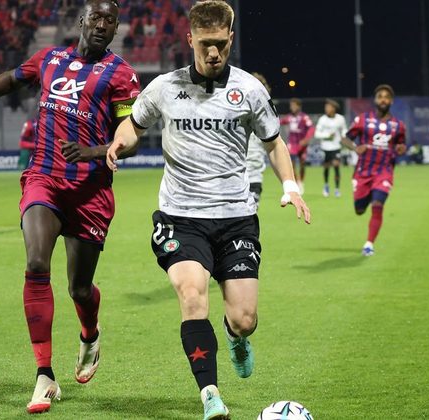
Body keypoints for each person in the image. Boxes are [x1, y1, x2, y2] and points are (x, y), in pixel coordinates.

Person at [106, 2, 311, 418]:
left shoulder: (250, 90)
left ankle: (236, 338)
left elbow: (274, 143)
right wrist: (119, 141)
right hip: (180, 216)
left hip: (236, 216)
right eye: (205, 44)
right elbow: (134, 122)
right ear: (190, 40)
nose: (213, 53)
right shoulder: (165, 86)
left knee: (245, 317)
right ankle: (210, 395)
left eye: (220, 44)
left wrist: (290, 186)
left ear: (231, 39)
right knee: (192, 294)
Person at [0, 0, 141, 414]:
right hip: (44, 178)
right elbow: (12, 78)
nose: (103, 24)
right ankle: (44, 375)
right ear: (82, 21)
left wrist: (99, 149)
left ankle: (90, 334)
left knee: (79, 287)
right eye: (97, 17)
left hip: (90, 189)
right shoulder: (50, 58)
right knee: (36, 264)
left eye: (111, 20)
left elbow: (131, 131)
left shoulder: (121, 74)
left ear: (116, 27)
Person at [341, 84, 407, 256]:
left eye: (387, 96)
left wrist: (401, 148)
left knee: (378, 205)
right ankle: (369, 194)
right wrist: (355, 148)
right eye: (380, 96)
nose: (383, 99)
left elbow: (401, 144)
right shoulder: (363, 119)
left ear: (391, 101)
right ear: (375, 100)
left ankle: (369, 244)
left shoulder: (398, 125)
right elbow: (345, 139)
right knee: (360, 210)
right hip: (363, 172)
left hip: (384, 172)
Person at [247, 72, 271, 204]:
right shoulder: (230, 113)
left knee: (250, 219)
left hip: (254, 176)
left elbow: (275, 146)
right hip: (230, 179)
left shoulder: (268, 117)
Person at [280, 98, 314, 193]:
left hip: (302, 144)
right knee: (292, 165)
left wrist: (306, 139)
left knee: (302, 164)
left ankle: (301, 181)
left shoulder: (304, 117)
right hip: (292, 144)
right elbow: (279, 122)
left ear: (299, 106)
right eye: (291, 106)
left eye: (294, 105)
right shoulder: (289, 117)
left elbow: (311, 128)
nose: (292, 107)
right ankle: (297, 183)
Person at [314, 99, 346, 198]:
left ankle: (337, 189)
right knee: (326, 167)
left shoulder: (340, 119)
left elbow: (344, 129)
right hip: (325, 147)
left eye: (328, 107)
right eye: (326, 107)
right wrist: (327, 135)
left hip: (336, 146)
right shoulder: (322, 119)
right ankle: (326, 185)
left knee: (336, 165)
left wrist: (344, 135)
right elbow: (316, 134)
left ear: (333, 108)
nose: (326, 109)